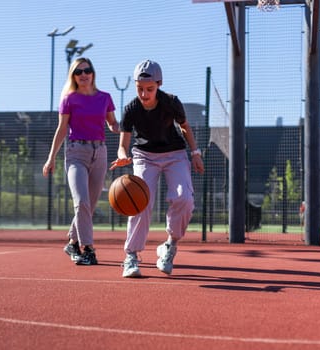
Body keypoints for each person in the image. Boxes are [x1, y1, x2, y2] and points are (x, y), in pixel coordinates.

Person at [110, 59, 204, 278]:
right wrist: (123, 157)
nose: (144, 94)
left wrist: (196, 153)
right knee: (140, 202)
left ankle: (169, 245)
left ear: (159, 84)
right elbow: (123, 145)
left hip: (175, 154)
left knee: (185, 199)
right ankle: (131, 255)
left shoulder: (171, 102)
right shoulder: (131, 108)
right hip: (144, 156)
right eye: (140, 89)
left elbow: (185, 127)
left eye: (149, 89)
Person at [43, 57, 119, 266]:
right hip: (76, 153)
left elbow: (112, 122)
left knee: (89, 205)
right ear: (73, 76)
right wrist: (51, 159)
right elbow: (61, 130)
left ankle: (72, 242)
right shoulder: (69, 99)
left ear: (93, 73)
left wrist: (118, 128)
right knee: (82, 202)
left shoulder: (105, 98)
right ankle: (88, 249)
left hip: (100, 153)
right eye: (78, 72)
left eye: (87, 70)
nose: (83, 74)